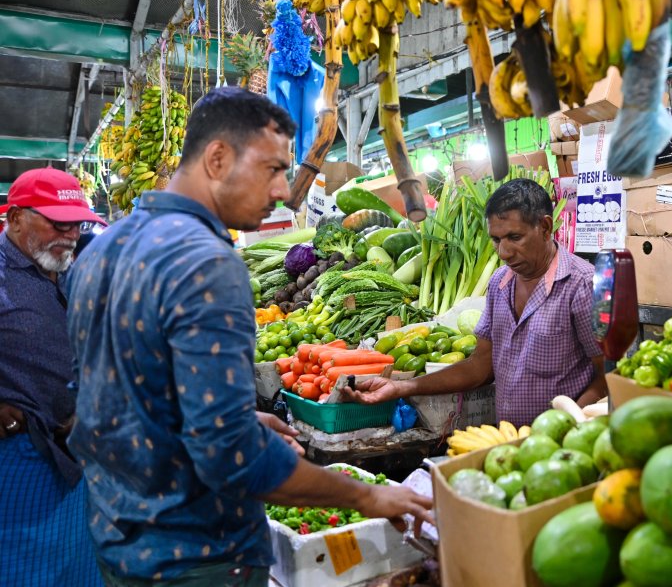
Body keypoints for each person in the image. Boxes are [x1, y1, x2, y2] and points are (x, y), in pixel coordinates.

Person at [65, 87, 432, 586]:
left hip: (119, 541)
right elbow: (230, 458)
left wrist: (236, 410)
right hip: (201, 555)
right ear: (217, 158)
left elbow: (116, 393)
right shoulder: (208, 264)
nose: (285, 191)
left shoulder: (100, 252)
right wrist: (370, 497)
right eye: (273, 169)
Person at [344, 178, 606, 426]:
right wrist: (401, 387)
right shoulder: (500, 283)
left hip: (563, 444)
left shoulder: (581, 285)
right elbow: (479, 368)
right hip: (508, 441)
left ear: (546, 227)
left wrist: (568, 425)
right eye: (496, 240)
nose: (504, 252)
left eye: (515, 237)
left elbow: (606, 375)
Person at [0, 168, 106, 586]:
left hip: (77, 461)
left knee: (77, 570)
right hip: (20, 461)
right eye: (55, 221)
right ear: (15, 219)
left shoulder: (70, 273)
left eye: (76, 223)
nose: (69, 233)